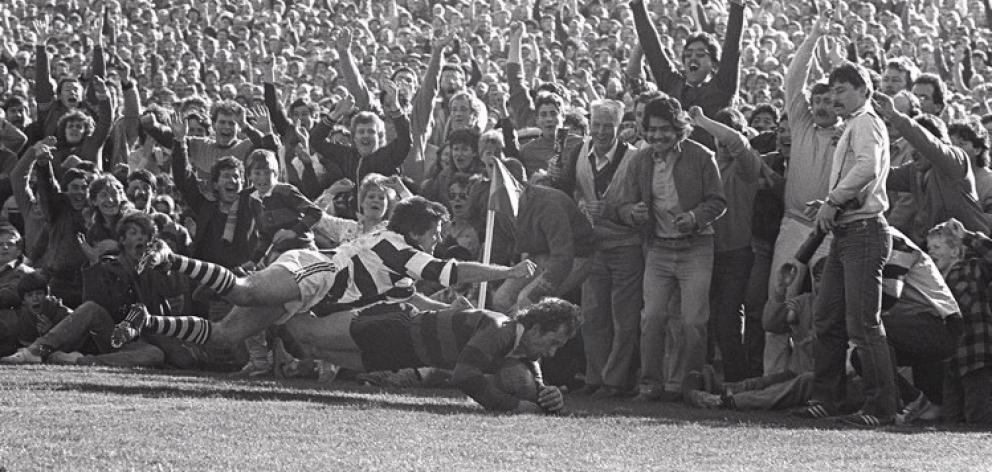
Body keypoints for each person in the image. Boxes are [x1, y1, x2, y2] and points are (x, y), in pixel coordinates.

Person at [112, 196, 538, 352]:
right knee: (242, 292)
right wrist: (509, 270)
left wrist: (453, 313)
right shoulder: (395, 243)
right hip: (315, 271)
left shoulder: (397, 261)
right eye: (436, 231)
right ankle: (168, 256)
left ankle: (146, 322)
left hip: (312, 297)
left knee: (225, 336)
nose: (437, 238)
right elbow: (449, 272)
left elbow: (412, 296)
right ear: (417, 228)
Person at [793, 62, 898, 428]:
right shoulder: (856, 124)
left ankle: (882, 407)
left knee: (862, 324)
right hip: (849, 231)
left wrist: (833, 199)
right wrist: (828, 201)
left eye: (842, 89)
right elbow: (862, 173)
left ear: (863, 91)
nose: (834, 96)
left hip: (864, 231)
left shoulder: (865, 122)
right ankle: (828, 399)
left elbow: (868, 167)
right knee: (829, 317)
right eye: (832, 90)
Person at [278, 297, 579, 413]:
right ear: (536, 329)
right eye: (553, 342)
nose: (551, 352)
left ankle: (265, 309)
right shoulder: (502, 329)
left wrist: (545, 394)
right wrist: (515, 405)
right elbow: (466, 376)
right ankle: (257, 292)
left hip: (402, 355)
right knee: (307, 333)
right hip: (395, 329)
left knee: (313, 350)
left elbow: (530, 365)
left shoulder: (519, 347)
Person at [614, 95, 726, 402]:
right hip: (658, 249)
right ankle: (651, 384)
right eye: (651, 130)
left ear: (679, 129)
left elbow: (718, 201)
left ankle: (689, 385)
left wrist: (694, 217)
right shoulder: (639, 160)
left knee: (693, 321)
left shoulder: (702, 156)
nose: (657, 136)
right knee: (651, 318)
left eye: (664, 129)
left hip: (696, 247)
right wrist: (632, 213)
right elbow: (623, 204)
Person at [549, 98, 642, 398]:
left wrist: (613, 210)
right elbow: (565, 187)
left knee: (624, 317)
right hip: (592, 244)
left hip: (626, 243)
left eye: (608, 126)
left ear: (620, 127)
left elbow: (642, 202)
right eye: (597, 125)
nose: (602, 132)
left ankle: (615, 382)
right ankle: (595, 376)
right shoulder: (578, 151)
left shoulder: (635, 157)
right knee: (592, 313)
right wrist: (555, 174)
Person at [1, 212, 181, 366]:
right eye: (134, 233)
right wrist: (94, 264)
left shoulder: (156, 266)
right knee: (90, 309)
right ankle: (33, 352)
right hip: (115, 334)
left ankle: (79, 361)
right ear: (123, 240)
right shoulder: (110, 266)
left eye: (145, 234)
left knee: (155, 355)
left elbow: (173, 289)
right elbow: (92, 304)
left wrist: (163, 261)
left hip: (146, 340)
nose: (141, 238)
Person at [925, 219, 992, 425]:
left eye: (937, 247)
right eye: (929, 248)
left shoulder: (971, 269)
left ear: (955, 251)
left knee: (978, 415)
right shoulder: (932, 282)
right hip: (951, 360)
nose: (931, 253)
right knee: (951, 419)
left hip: (976, 354)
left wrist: (968, 237)